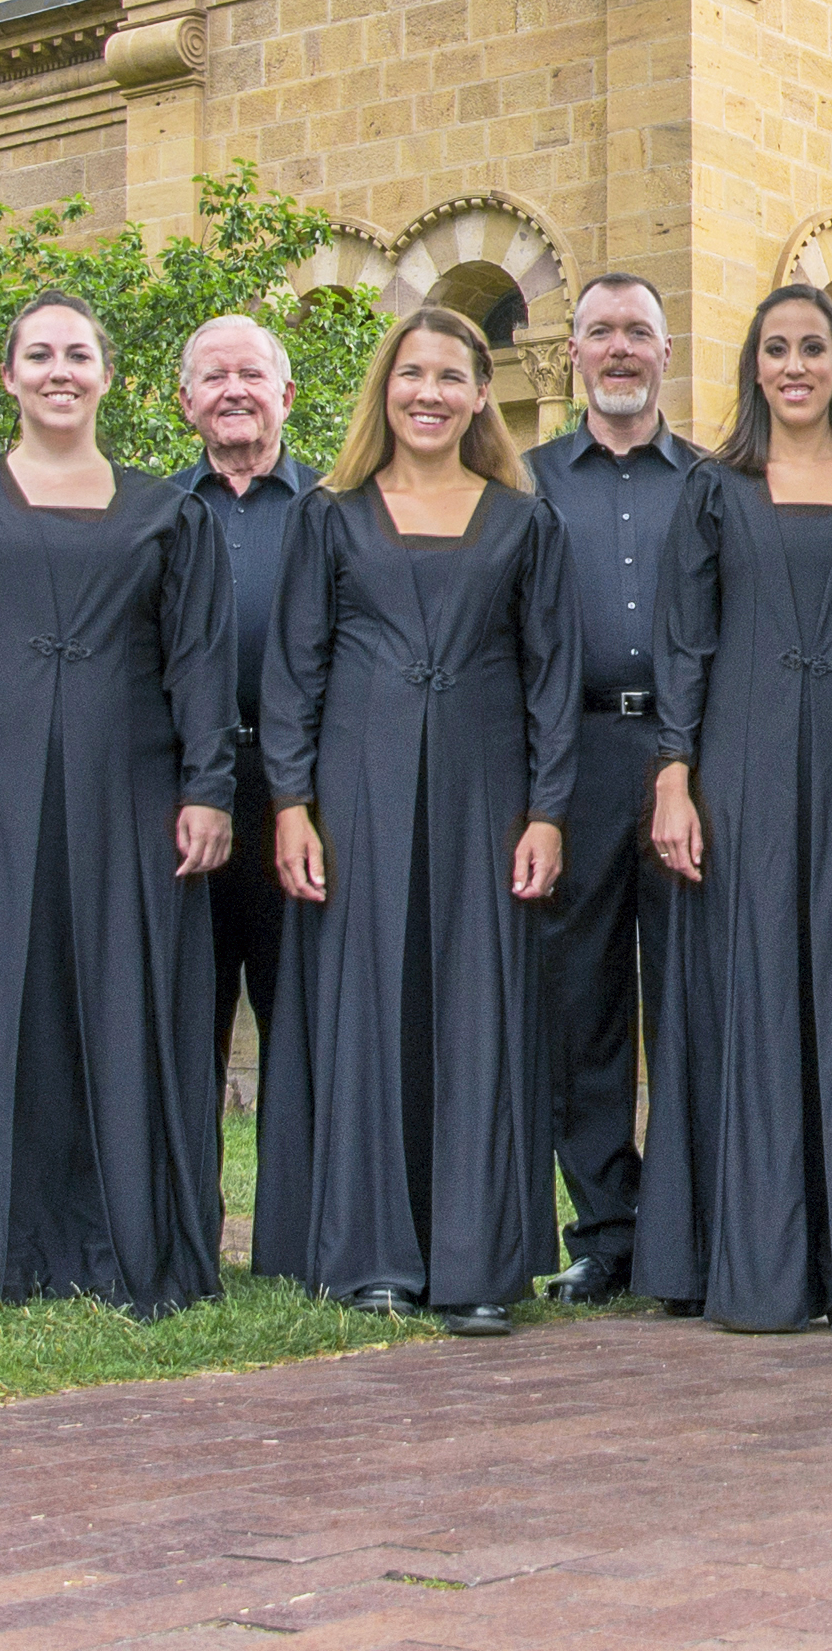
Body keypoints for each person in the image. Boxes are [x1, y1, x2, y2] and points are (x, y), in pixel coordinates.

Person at [0, 292, 239, 1317]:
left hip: (131, 787)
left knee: (122, 1002)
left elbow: (199, 666)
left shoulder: (171, 511)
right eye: (40, 353)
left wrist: (210, 788)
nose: (60, 369)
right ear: (10, 376)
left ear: (108, 378)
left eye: (79, 353)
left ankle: (120, 1246)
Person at [250, 305, 577, 1331]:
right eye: (410, 373)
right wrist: (291, 804)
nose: (428, 393)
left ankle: (476, 1263)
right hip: (357, 792)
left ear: (483, 395)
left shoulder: (526, 522)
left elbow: (551, 680)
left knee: (480, 1013)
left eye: (450, 376)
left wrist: (548, 812)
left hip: (488, 792)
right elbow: (293, 671)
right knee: (370, 1007)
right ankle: (376, 1254)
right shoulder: (330, 514)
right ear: (382, 390)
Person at [637, 286, 832, 1332]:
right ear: (753, 367)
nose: (795, 365)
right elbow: (683, 642)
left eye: (813, 347)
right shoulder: (712, 489)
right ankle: (758, 1267)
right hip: (741, 767)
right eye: (775, 348)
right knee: (752, 991)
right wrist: (673, 774)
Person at [528, 272, 700, 1305]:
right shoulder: (529, 482)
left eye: (639, 330)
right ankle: (604, 1229)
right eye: (601, 333)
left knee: (690, 999)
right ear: (574, 353)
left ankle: (683, 1226)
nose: (621, 349)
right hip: (575, 759)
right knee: (579, 1006)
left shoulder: (714, 483)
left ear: (666, 352)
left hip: (688, 764)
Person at [172, 314, 313, 1106]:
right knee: (182, 1031)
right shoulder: (153, 517)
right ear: (186, 402)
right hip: (184, 803)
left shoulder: (336, 512)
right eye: (216, 377)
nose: (235, 391)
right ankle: (182, 1230)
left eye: (252, 375)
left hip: (299, 804)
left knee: (303, 1037)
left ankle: (299, 1232)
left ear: (285, 395)